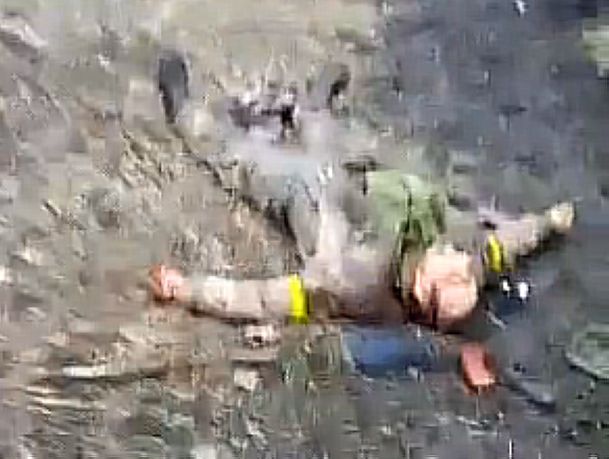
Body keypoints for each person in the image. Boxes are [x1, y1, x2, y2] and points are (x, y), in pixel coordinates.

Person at [148, 162, 575, 388]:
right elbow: (261, 299)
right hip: (315, 201)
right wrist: (186, 289)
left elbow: (502, 245)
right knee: (267, 176)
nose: (458, 256)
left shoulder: (446, 263)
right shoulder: (355, 283)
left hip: (347, 207)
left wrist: (548, 223)